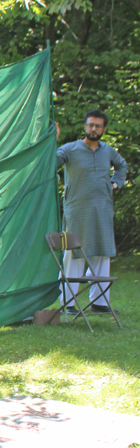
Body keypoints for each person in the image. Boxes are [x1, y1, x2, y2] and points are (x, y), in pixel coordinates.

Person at [56, 110, 127, 314]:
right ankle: (67, 303)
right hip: (76, 209)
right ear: (84, 126)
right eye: (90, 125)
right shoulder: (69, 149)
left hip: (102, 209)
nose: (93, 129)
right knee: (73, 253)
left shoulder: (108, 151)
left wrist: (115, 184)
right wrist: (53, 141)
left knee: (102, 253)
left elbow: (122, 166)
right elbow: (50, 163)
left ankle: (99, 302)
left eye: (97, 126)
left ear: (104, 129)